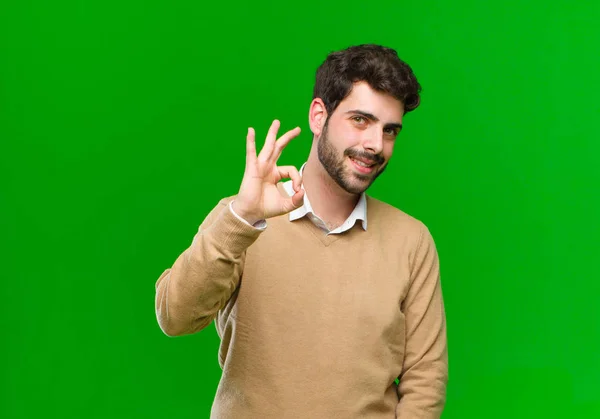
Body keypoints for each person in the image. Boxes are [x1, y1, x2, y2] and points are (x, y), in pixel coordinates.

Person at [155, 43, 448, 418]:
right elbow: (174, 316)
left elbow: (426, 379)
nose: (375, 145)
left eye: (389, 131)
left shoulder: (412, 241)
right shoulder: (242, 219)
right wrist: (242, 217)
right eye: (360, 120)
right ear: (318, 115)